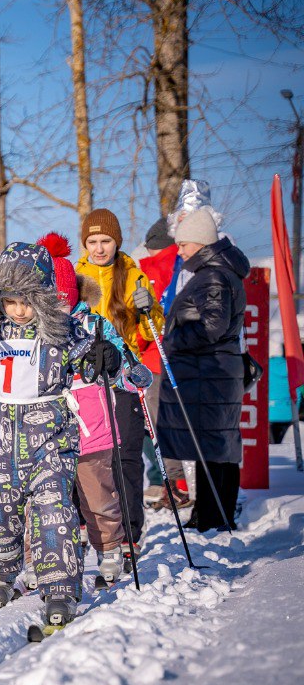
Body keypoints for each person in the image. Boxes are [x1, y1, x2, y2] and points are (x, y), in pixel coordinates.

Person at [0, 241, 120, 629]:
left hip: (49, 433)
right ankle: (0, 577)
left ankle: (59, 589)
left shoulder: (62, 329)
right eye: (10, 301)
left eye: (27, 301)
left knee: (53, 510)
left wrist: (107, 357)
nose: (19, 311)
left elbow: (98, 366)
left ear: (41, 295)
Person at [38, 231, 134, 586]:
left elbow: (133, 374)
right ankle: (42, 557)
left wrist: (114, 358)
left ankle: (109, 550)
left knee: (98, 496)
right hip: (43, 429)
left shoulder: (95, 324)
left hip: (91, 427)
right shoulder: (30, 329)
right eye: (51, 303)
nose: (58, 310)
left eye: (64, 301)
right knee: (45, 501)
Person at [74, 208, 163, 552]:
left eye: (106, 241)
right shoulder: (75, 275)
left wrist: (148, 308)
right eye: (93, 241)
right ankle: (82, 523)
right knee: (82, 453)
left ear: (117, 241)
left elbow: (150, 332)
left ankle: (128, 533)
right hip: (82, 376)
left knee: (125, 453)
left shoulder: (133, 274)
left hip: (122, 371)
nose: (99, 248)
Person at [156, 206, 249, 531]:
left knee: (213, 447)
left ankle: (212, 518)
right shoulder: (219, 271)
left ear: (200, 242)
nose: (179, 250)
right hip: (214, 372)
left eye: (183, 244)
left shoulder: (212, 276)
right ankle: (213, 514)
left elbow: (212, 326)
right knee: (216, 445)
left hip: (210, 373)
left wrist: (173, 340)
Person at [136, 216, 189, 508]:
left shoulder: (151, 269)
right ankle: (174, 484)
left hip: (156, 359)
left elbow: (145, 320)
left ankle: (176, 486)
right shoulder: (186, 264)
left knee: (157, 425)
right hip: (183, 357)